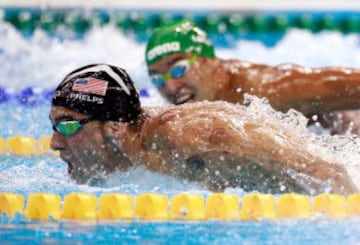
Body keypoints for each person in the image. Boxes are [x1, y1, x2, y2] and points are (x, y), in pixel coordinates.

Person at [50, 63, 358, 195]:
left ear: (115, 126)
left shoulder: (187, 133)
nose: (54, 143)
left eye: (67, 126)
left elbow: (329, 172)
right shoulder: (133, 146)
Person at [145, 20, 360, 135]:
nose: (170, 86)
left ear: (211, 61)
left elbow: (343, 85)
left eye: (178, 69)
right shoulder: (173, 119)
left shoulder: (262, 89)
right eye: (157, 79)